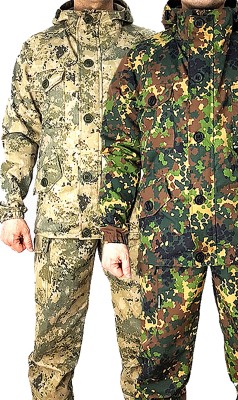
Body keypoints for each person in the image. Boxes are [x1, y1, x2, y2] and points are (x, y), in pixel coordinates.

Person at [99, 0, 238, 398]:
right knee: (158, 379)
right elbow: (120, 151)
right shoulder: (143, 60)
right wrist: (113, 231)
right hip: (166, 240)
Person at [0, 1, 153, 398]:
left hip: (137, 223)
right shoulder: (38, 49)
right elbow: (21, 132)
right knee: (52, 354)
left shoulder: (147, 48)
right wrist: (11, 208)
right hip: (61, 219)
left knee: (149, 354)